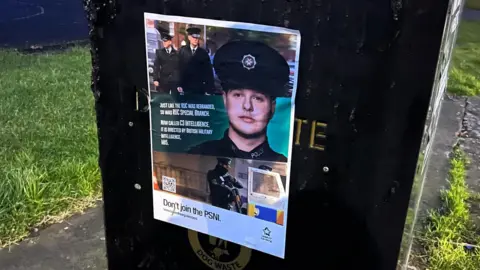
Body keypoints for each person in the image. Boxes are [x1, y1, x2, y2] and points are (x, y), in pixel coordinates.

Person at [188, 40, 290, 162]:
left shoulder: (283, 166)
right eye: (238, 95)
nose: (247, 106)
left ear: (272, 107)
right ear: (225, 99)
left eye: (258, 98)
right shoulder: (195, 156)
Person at [177, 27, 215, 95]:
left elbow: (208, 71)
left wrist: (209, 89)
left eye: (197, 37)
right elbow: (178, 68)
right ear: (189, 37)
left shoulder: (203, 53)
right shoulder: (182, 51)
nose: (195, 39)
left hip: (199, 88)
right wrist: (178, 84)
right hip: (185, 87)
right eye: (193, 37)